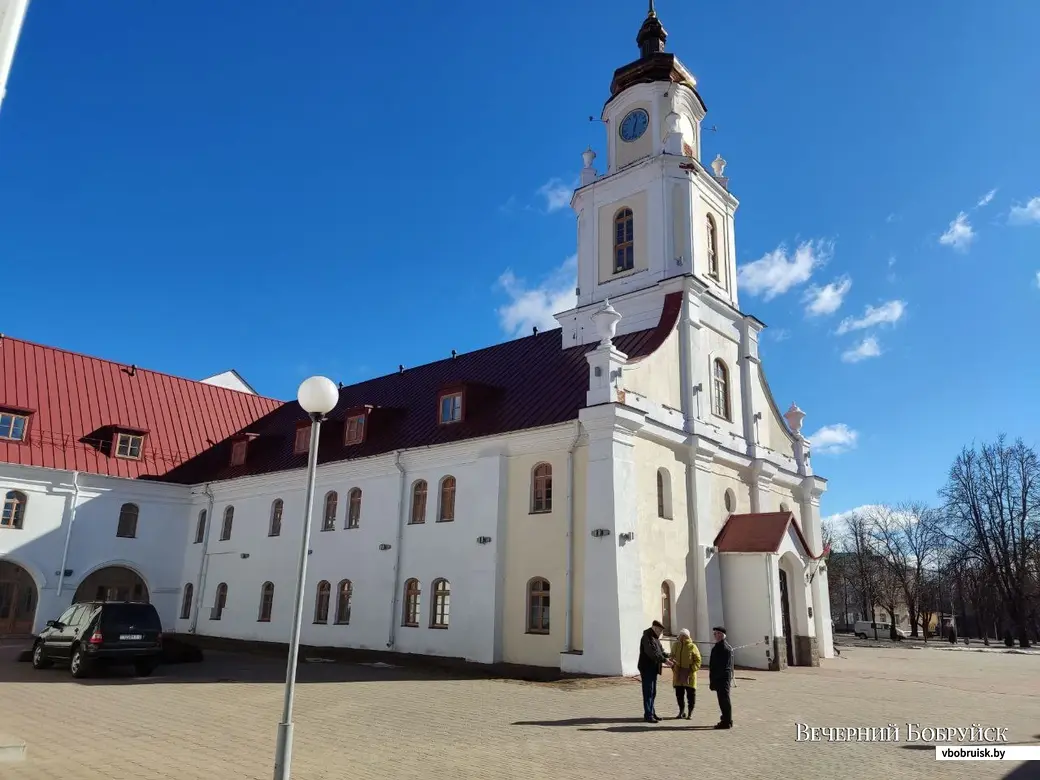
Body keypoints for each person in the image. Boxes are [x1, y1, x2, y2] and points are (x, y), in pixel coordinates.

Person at [637, 620, 672, 723]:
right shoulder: (646, 637)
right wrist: (665, 661)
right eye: (660, 630)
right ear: (655, 628)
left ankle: (651, 712)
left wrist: (669, 656)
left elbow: (660, 651)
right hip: (647, 668)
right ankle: (648, 715)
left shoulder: (655, 638)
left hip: (653, 668)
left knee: (653, 692)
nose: (661, 633)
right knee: (648, 692)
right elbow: (651, 653)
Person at [670, 628, 701, 719]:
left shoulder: (692, 646)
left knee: (690, 695)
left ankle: (690, 712)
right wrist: (672, 665)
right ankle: (681, 711)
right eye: (681, 635)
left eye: (684, 635)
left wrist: (692, 669)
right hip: (678, 673)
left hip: (689, 674)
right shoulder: (675, 645)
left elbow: (698, 660)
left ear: (687, 636)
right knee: (679, 694)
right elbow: (671, 656)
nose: (682, 637)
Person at [708, 626, 733, 729]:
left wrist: (716, 678)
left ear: (723, 635)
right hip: (718, 677)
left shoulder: (725, 648)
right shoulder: (717, 646)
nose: (716, 636)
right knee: (722, 700)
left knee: (724, 700)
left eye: (718, 634)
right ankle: (726, 719)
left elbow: (723, 667)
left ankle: (727, 721)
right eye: (715, 634)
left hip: (722, 678)